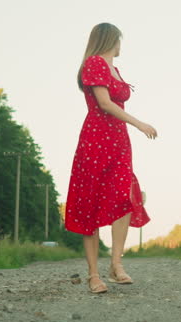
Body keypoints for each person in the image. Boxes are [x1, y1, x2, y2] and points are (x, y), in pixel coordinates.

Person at [64, 23, 158, 294]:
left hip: (118, 141)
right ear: (111, 39)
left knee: (124, 198)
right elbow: (104, 103)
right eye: (119, 40)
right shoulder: (94, 63)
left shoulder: (115, 69)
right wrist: (139, 123)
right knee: (90, 202)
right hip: (96, 138)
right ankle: (94, 274)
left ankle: (116, 265)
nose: (121, 46)